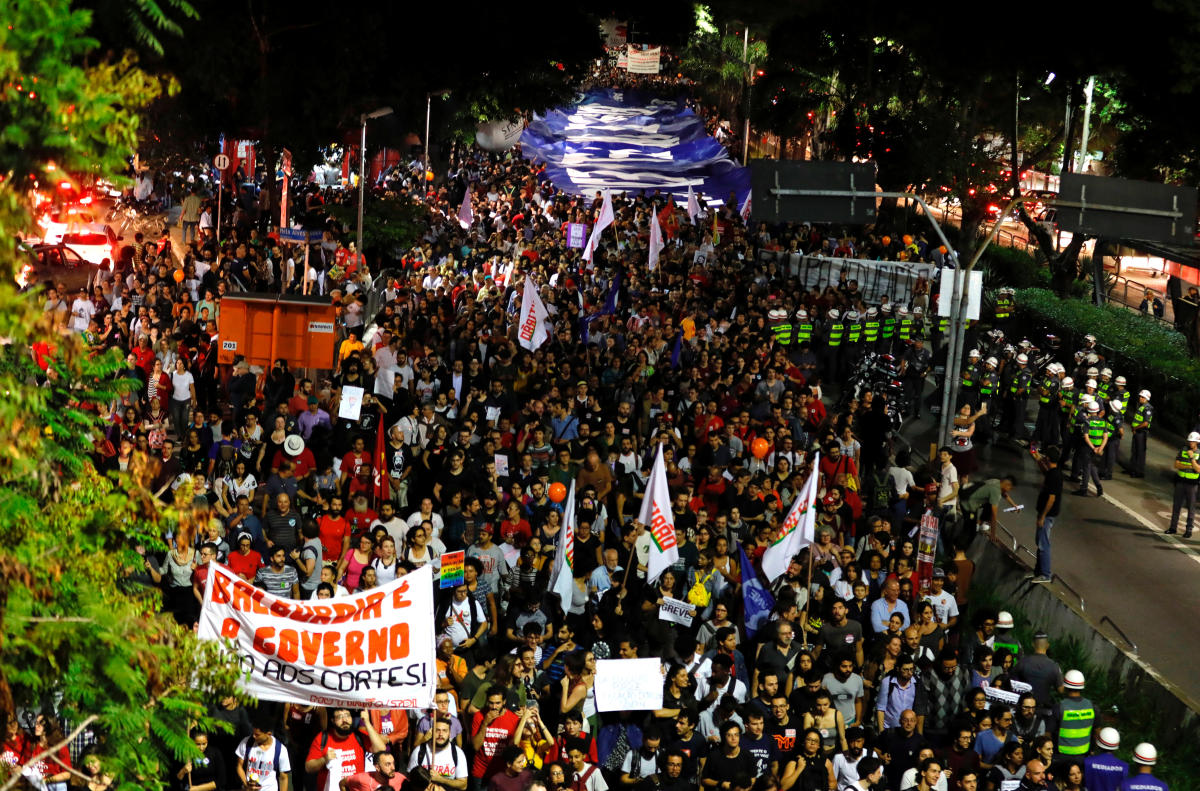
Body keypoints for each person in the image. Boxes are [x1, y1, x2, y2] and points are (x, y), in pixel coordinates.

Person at [304, 709, 387, 791]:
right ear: (332, 720)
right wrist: (324, 759)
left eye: (347, 716)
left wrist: (367, 723)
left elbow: (381, 748)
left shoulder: (358, 736)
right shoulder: (322, 738)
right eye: (339, 717)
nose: (344, 720)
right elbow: (309, 767)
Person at [1030, 448, 1061, 583]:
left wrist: (1042, 516)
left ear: (1048, 458)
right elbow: (1046, 472)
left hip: (1047, 515)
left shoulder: (1054, 476)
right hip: (1044, 514)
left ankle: (1045, 574)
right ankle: (1038, 571)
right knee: (1040, 542)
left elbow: (1051, 499)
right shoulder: (1053, 473)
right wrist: (1037, 459)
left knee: (1044, 544)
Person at [237, 716, 291, 791]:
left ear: (268, 734)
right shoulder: (247, 742)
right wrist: (246, 785)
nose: (254, 736)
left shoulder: (281, 750)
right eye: (253, 733)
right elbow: (239, 766)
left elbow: (283, 778)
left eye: (257, 734)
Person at [1052, 671, 1095, 759]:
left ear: (1066, 686)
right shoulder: (1092, 706)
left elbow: (1049, 732)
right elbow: (1096, 731)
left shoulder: (1059, 706)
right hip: (1084, 755)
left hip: (1062, 756)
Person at [1167, 431, 1200, 538]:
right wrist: (1190, 466)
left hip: (1192, 484)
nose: (1191, 443)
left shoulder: (1199, 453)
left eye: (1193, 441)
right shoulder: (1183, 450)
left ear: (1197, 442)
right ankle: (1173, 528)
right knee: (1176, 505)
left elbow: (1198, 469)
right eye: (1190, 441)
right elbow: (1176, 465)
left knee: (1191, 507)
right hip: (1180, 481)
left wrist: (1191, 459)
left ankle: (1188, 530)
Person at [342, 751, 406, 791]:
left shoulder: (400, 778)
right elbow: (342, 783)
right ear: (377, 767)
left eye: (393, 763)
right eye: (388, 764)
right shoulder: (362, 779)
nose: (393, 768)